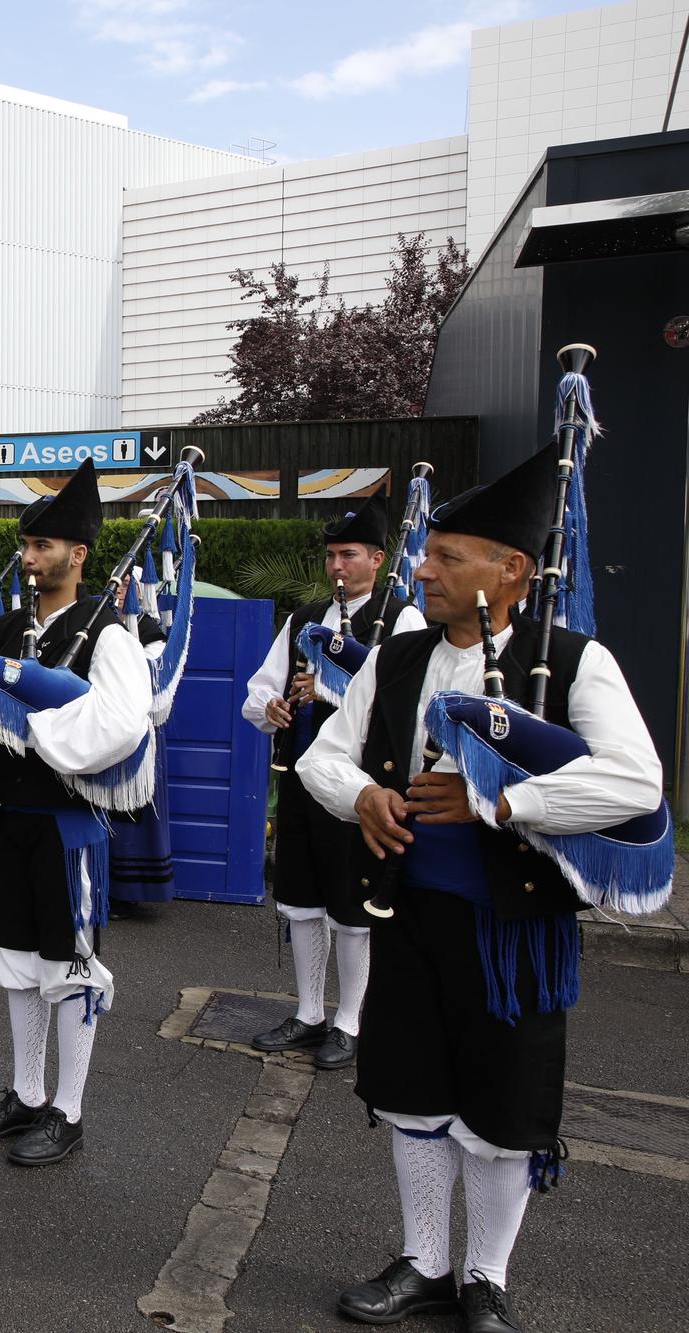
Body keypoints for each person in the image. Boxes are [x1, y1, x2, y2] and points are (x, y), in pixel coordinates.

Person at [298, 444, 662, 1333]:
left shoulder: (576, 661)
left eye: (445, 557)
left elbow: (635, 782)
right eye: (425, 555)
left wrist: (503, 800)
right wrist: (368, 796)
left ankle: (483, 1278)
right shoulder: (398, 655)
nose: (422, 568)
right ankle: (424, 1261)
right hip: (410, 915)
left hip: (515, 934)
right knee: (415, 1091)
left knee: (500, 1108)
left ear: (513, 570)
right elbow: (322, 757)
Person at [0, 460, 151, 1167]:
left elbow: (123, 725)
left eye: (43, 547)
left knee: (71, 967)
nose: (30, 559)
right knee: (16, 962)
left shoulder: (108, 634)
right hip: (13, 815)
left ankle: (69, 1109)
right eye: (25, 547)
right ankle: (28, 1092)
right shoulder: (6, 628)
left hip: (68, 827)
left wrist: (35, 736)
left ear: (78, 553)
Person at [241, 498, 425, 1071]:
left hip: (361, 788)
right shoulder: (306, 620)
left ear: (376, 558)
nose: (337, 567)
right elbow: (258, 687)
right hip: (301, 780)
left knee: (352, 905)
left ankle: (350, 1020)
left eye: (349, 555)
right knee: (301, 900)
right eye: (330, 556)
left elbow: (408, 709)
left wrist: (337, 690)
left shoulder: (403, 621)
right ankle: (309, 1012)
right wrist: (272, 704)